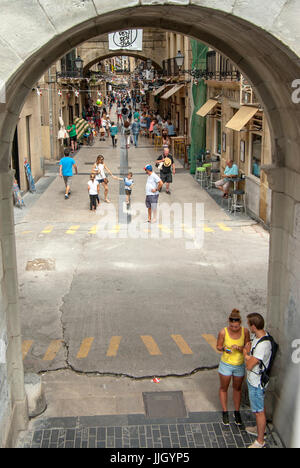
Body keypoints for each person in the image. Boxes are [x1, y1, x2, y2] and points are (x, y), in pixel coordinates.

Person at [243, 313, 273, 448]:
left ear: (253, 326)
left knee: (258, 411)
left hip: (256, 382)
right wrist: (250, 357)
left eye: (249, 324)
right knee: (259, 407)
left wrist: (246, 354)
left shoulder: (262, 345)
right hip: (254, 379)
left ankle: (260, 441)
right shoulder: (260, 336)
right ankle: (259, 429)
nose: (248, 326)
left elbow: (249, 365)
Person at [217, 309, 250, 426]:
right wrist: (224, 348)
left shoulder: (245, 332)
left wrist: (241, 348)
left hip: (239, 364)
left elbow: (248, 347)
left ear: (240, 324)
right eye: (231, 326)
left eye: (236, 327)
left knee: (237, 388)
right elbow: (218, 346)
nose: (234, 328)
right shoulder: (223, 332)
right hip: (226, 364)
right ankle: (225, 411)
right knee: (224, 387)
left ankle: (237, 412)